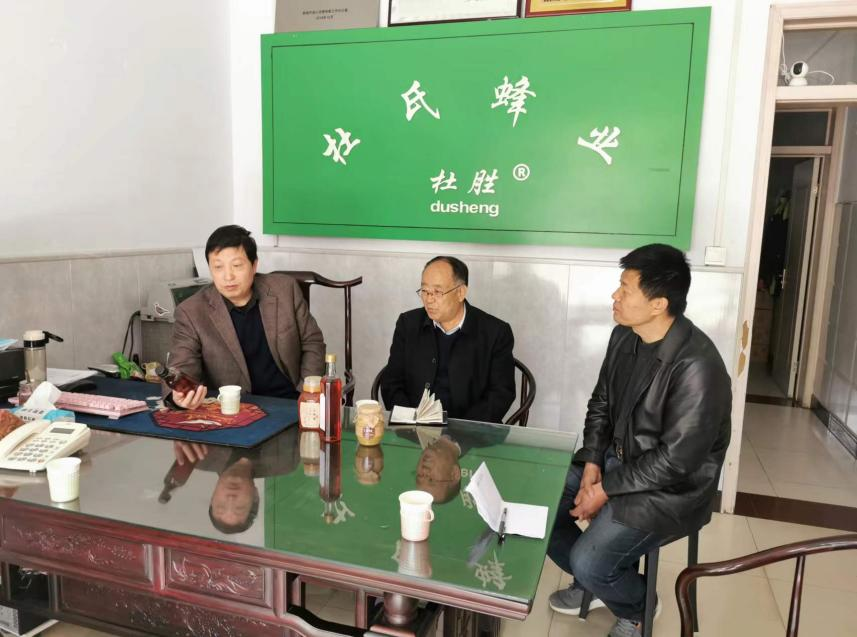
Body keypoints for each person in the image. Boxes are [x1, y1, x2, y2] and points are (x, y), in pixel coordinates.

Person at [547, 244, 731, 637]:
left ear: (658, 304)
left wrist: (605, 489)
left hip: (670, 488)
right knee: (540, 510)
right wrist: (592, 462)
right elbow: (601, 403)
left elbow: (676, 461)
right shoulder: (624, 336)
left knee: (590, 561)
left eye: (626, 289)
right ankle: (600, 582)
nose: (615, 295)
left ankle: (635, 607)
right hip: (616, 462)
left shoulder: (697, 366)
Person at [168, 225, 325, 409]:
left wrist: (308, 392)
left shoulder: (284, 290)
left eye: (236, 266)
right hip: (232, 410)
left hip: (290, 402)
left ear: (254, 265)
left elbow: (312, 342)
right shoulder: (192, 311)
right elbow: (181, 365)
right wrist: (179, 394)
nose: (228, 276)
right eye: (218, 267)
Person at [380, 256, 515, 423]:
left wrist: (461, 432)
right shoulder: (408, 324)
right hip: (413, 430)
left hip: (470, 434)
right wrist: (410, 421)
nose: (429, 299)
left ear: (460, 292)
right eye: (424, 291)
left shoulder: (495, 333)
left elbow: (501, 394)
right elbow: (391, 383)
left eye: (437, 292)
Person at [172, 428, 300, 534]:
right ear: (255, 496)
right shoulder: (285, 463)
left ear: (213, 496)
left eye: (221, 506)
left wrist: (180, 430)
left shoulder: (199, 457)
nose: (231, 498)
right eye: (239, 507)